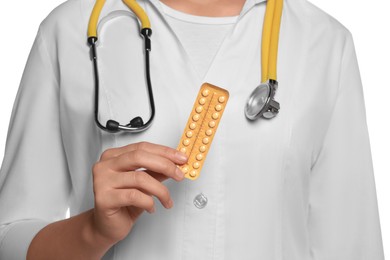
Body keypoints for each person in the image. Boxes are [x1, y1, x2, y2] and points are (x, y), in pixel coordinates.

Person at [0, 0, 385, 259]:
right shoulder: (67, 30)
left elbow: (352, 245)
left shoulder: (323, 42)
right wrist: (92, 231)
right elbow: (10, 236)